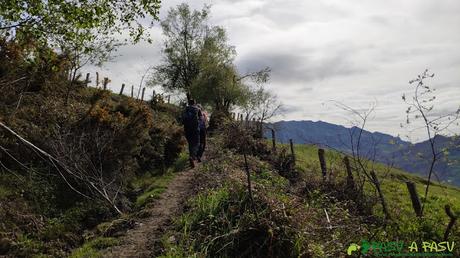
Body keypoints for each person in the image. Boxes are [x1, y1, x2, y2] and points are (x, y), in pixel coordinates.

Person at [182, 99, 202, 168]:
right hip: (195, 129)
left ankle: (191, 156)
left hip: (187, 129)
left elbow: (182, 118)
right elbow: (201, 119)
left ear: (189, 103)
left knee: (190, 143)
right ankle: (193, 157)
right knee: (197, 143)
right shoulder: (198, 109)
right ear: (195, 103)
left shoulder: (186, 109)